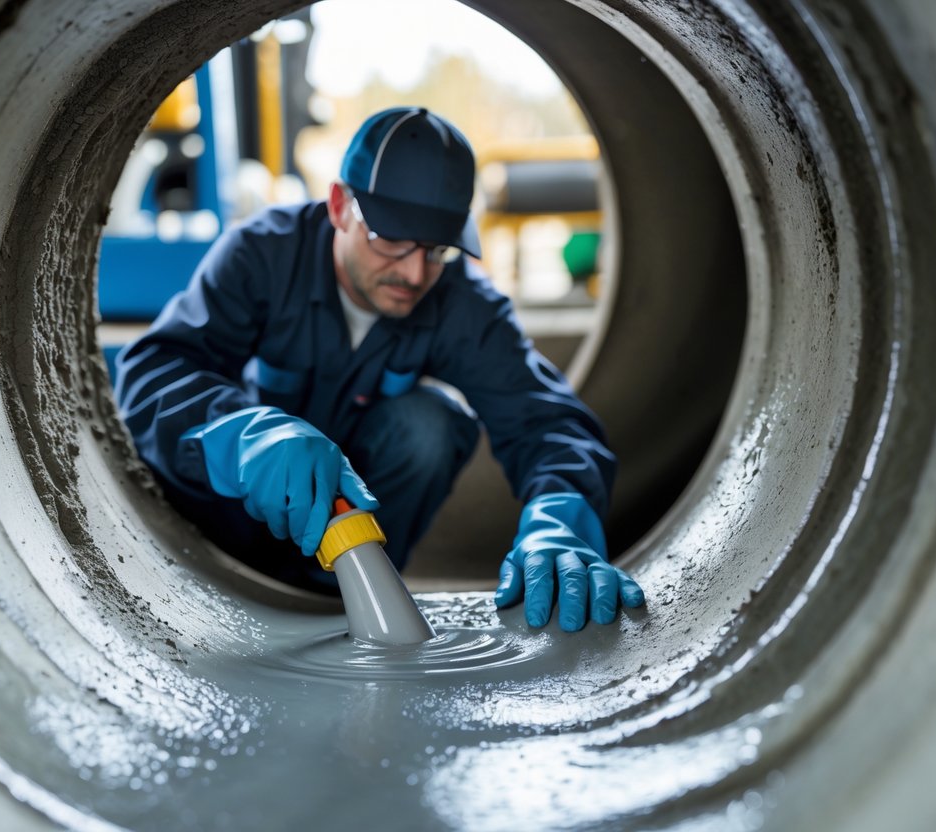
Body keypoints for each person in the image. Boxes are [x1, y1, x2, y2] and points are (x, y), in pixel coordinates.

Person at [115, 107, 644, 631]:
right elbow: (154, 372)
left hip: (355, 537)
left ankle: (336, 602)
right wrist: (244, 437)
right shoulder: (264, 254)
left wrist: (561, 515)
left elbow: (545, 421)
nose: (415, 273)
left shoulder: (461, 302)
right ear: (341, 205)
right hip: (229, 523)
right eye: (391, 239)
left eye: (437, 248)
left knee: (432, 423)